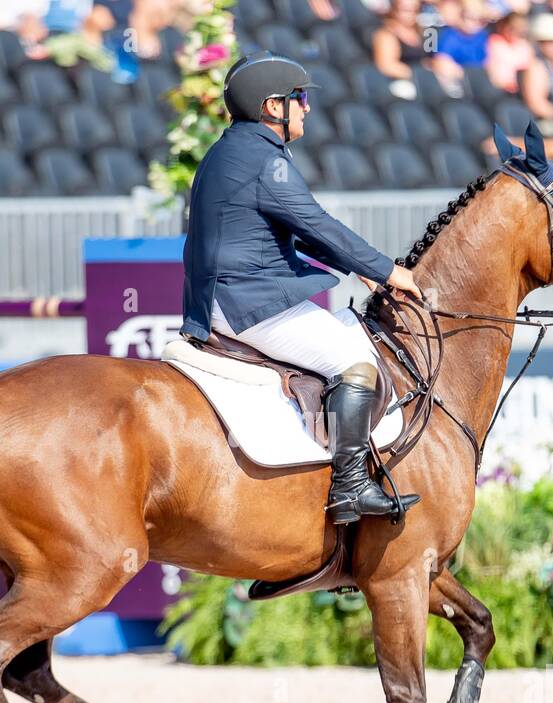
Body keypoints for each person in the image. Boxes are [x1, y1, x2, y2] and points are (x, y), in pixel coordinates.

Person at [181, 52, 424, 524]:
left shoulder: (236, 149)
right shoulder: (261, 159)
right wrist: (389, 270)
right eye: (301, 98)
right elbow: (315, 224)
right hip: (247, 302)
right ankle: (350, 487)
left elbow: (300, 229)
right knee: (355, 363)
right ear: (274, 106)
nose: (308, 107)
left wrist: (362, 271)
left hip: (228, 295)